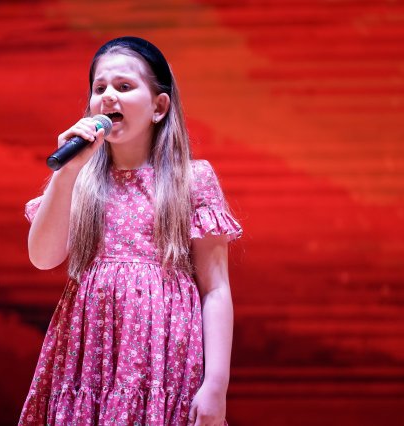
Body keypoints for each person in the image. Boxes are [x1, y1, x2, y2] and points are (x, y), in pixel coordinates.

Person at [18, 36, 242, 426]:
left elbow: (216, 289)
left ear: (159, 107)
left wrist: (216, 384)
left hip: (162, 361)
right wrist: (66, 173)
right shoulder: (80, 180)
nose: (108, 96)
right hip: (90, 360)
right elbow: (42, 257)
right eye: (99, 88)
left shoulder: (191, 180)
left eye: (123, 86)